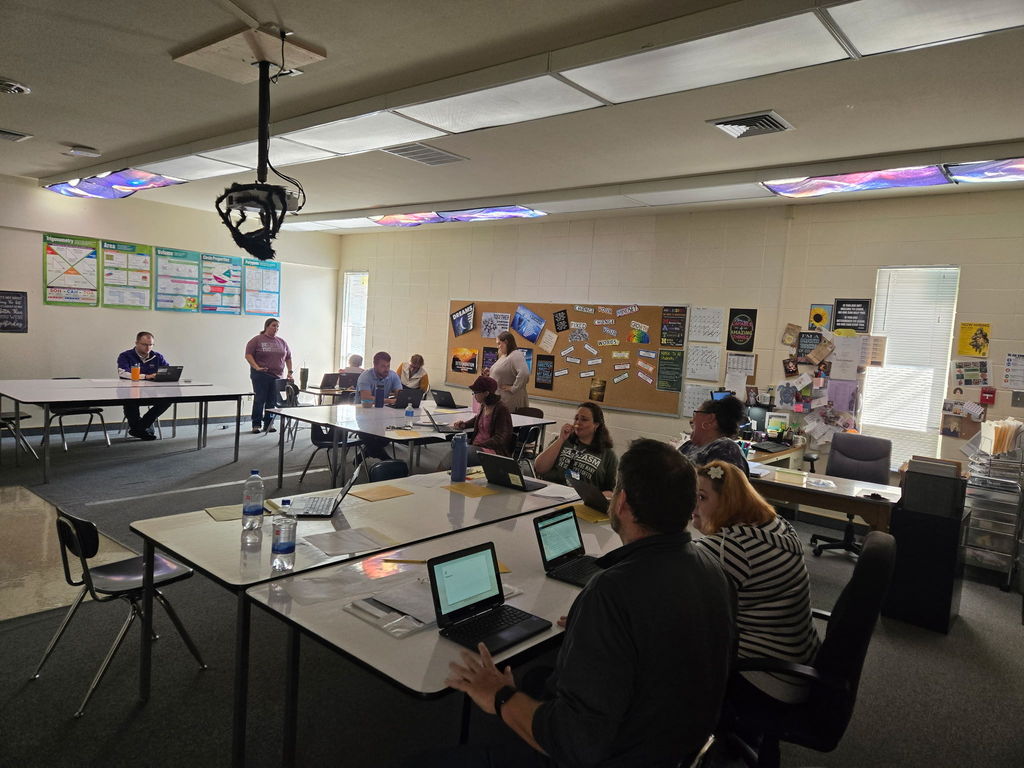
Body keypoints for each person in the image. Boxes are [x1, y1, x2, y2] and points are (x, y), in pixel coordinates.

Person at [431, 439, 736, 768]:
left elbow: (572, 742)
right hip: (678, 743)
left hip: (619, 754)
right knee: (536, 680)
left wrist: (500, 696)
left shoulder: (612, 592)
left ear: (621, 503)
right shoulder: (711, 570)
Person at [693, 460, 819, 703]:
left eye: (702, 497)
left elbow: (680, 595)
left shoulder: (730, 548)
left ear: (727, 501)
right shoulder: (778, 526)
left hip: (767, 676)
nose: (694, 505)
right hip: (801, 661)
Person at [534, 401, 617, 493]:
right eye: (576, 418)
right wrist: (561, 439)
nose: (578, 422)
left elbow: (610, 491)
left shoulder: (608, 454)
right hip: (552, 491)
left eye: (584, 419)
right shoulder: (563, 441)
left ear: (596, 425)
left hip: (582, 500)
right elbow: (539, 468)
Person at [439, 375, 513, 468]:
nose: (474, 395)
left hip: (491, 451)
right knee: (456, 452)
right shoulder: (484, 405)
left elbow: (501, 438)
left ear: (486, 393)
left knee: (458, 454)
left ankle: (439, 477)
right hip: (478, 447)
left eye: (476, 392)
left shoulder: (501, 409)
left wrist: (479, 445)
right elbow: (477, 420)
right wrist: (464, 424)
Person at [116, 331, 172, 441]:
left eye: (151, 345)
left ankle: (139, 428)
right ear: (136, 343)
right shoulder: (125, 356)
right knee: (130, 401)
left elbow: (167, 370)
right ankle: (141, 428)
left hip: (152, 392)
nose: (148, 347)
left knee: (167, 400)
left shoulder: (157, 356)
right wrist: (145, 376)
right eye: (145, 344)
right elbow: (123, 372)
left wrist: (163, 375)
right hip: (130, 391)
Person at [244, 318, 293, 434]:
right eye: (273, 326)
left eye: (277, 326)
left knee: (272, 401)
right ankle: (256, 424)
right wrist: (256, 367)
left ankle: (269, 424)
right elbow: (248, 355)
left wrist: (290, 372)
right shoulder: (257, 340)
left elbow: (288, 357)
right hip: (261, 375)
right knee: (260, 399)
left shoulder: (282, 342)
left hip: (277, 376)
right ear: (266, 326)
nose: (276, 328)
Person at [679, 394, 749, 475]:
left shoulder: (725, 450)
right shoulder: (689, 445)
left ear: (710, 419)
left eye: (696, 414)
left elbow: (715, 486)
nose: (692, 420)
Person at [356, 351, 403, 459]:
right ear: (375, 365)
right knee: (368, 436)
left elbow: (400, 394)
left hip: (382, 415)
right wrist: (390, 401)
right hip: (362, 415)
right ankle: (387, 461)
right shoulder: (365, 376)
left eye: (388, 366)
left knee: (389, 434)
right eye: (383, 366)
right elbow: (366, 399)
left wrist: (403, 397)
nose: (386, 369)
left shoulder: (393, 375)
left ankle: (363, 455)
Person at [488, 331, 530, 411]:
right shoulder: (505, 356)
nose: (498, 347)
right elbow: (501, 373)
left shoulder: (516, 354)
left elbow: (524, 373)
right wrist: (489, 373)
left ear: (506, 342)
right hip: (500, 399)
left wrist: (513, 388)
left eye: (499, 343)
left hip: (510, 401)